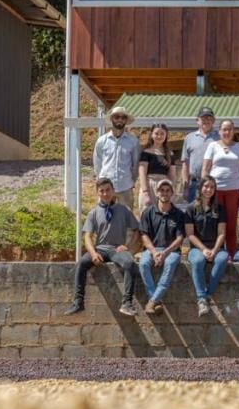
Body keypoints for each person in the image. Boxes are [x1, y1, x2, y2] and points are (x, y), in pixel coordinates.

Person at [65, 177, 140, 317]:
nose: (105, 194)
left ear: (113, 191)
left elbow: (137, 230)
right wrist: (93, 253)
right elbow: (87, 236)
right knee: (81, 263)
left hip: (117, 249)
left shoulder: (123, 210)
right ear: (98, 193)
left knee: (130, 263)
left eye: (108, 190)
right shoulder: (93, 212)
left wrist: (128, 246)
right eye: (102, 191)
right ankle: (78, 302)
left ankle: (127, 303)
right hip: (100, 249)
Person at [137, 179, 187, 314]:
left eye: (167, 190)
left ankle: (152, 301)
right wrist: (153, 252)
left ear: (172, 193)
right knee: (143, 264)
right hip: (152, 249)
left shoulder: (179, 215)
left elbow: (180, 238)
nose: (164, 193)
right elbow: (144, 235)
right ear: (157, 193)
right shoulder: (148, 212)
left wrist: (165, 253)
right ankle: (156, 300)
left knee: (170, 264)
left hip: (172, 251)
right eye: (161, 190)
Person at [202, 119, 239, 256]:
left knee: (230, 223)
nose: (227, 132)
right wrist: (204, 189)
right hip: (214, 191)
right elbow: (205, 169)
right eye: (224, 129)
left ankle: (230, 254)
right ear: (220, 131)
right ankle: (214, 252)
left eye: (230, 129)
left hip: (233, 190)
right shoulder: (212, 146)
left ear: (233, 131)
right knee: (214, 221)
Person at [185, 176, 228, 317]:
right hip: (197, 249)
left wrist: (214, 250)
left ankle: (208, 294)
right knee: (198, 261)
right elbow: (190, 234)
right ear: (200, 188)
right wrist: (203, 249)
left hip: (216, 248)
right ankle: (201, 299)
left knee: (223, 259)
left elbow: (222, 233)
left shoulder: (219, 209)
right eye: (206, 186)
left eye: (212, 187)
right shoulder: (191, 208)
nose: (208, 189)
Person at [92, 106, 140, 205]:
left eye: (123, 118)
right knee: (104, 217)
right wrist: (101, 180)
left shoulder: (133, 141)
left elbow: (136, 164)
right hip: (106, 188)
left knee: (126, 217)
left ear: (126, 121)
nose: (120, 120)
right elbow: (97, 164)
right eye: (117, 117)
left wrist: (131, 181)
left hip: (125, 186)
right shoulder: (102, 141)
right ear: (111, 119)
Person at [181, 106, 218, 202]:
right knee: (193, 214)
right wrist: (185, 187)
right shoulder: (189, 138)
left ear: (213, 121)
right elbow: (185, 164)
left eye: (209, 118)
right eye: (203, 118)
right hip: (194, 184)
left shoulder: (219, 137)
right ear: (197, 120)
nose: (206, 120)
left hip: (214, 184)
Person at [137, 122, 177, 213]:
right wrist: (145, 192)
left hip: (164, 187)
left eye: (162, 134)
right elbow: (142, 173)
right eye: (156, 133)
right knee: (147, 212)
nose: (159, 136)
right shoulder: (146, 152)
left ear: (166, 135)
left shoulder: (170, 154)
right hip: (149, 185)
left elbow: (173, 176)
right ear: (151, 135)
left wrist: (173, 192)